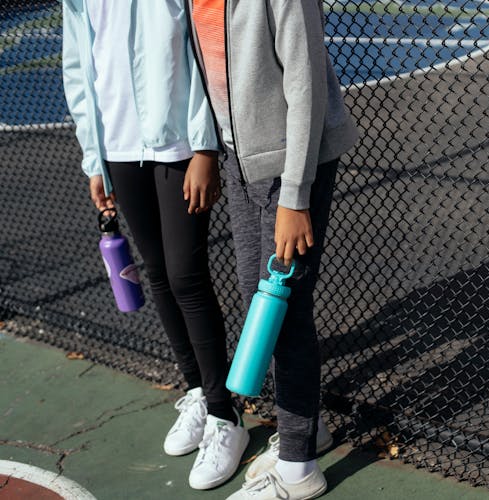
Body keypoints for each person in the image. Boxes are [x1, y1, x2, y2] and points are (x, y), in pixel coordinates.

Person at [61, 0, 248, 490]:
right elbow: (78, 69)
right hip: (117, 146)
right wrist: (93, 158)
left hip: (179, 144)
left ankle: (225, 415)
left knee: (187, 274)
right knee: (158, 272)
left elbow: (203, 49)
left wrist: (206, 147)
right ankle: (195, 391)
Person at [186, 0, 359, 498]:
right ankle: (307, 428)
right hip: (242, 158)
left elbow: (305, 84)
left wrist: (294, 196)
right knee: (256, 296)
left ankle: (298, 470)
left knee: (281, 309)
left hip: (288, 165)